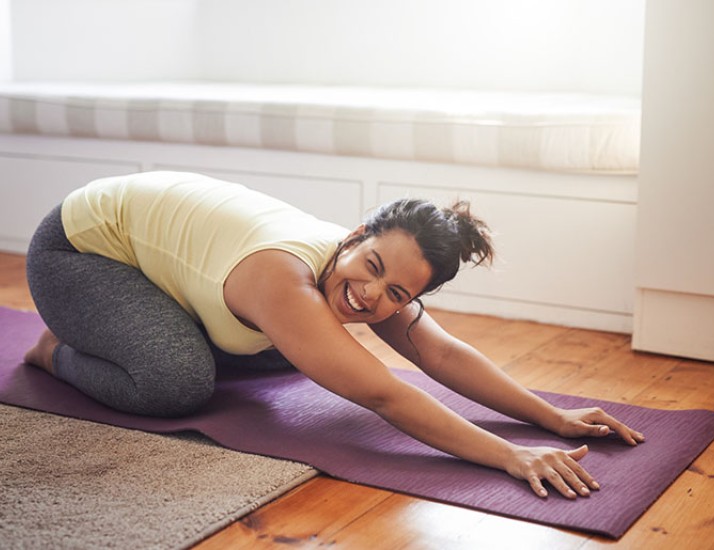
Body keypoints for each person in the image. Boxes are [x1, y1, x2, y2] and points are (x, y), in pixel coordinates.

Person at [24, 171, 644, 500]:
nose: (372, 296)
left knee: (304, 353)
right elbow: (383, 395)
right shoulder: (282, 276)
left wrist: (549, 417)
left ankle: (145, 332)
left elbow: (439, 351)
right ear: (351, 237)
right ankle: (58, 349)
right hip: (79, 252)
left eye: (397, 294)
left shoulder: (371, 276)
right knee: (175, 383)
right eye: (371, 267)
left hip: (171, 275)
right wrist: (510, 454)